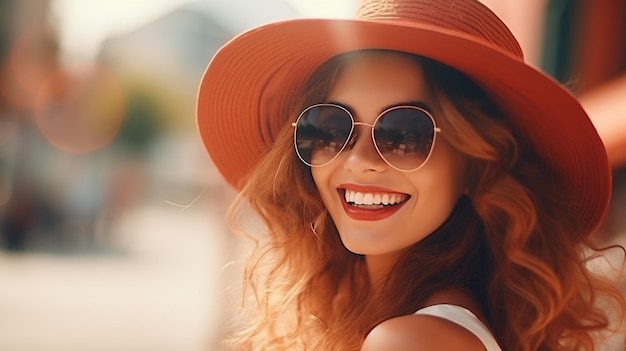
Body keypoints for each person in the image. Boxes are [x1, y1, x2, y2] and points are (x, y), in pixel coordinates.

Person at [196, 0, 626, 350]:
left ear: (477, 167)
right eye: (330, 127)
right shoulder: (436, 324)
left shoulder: (409, 340)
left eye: (404, 133)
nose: (359, 159)